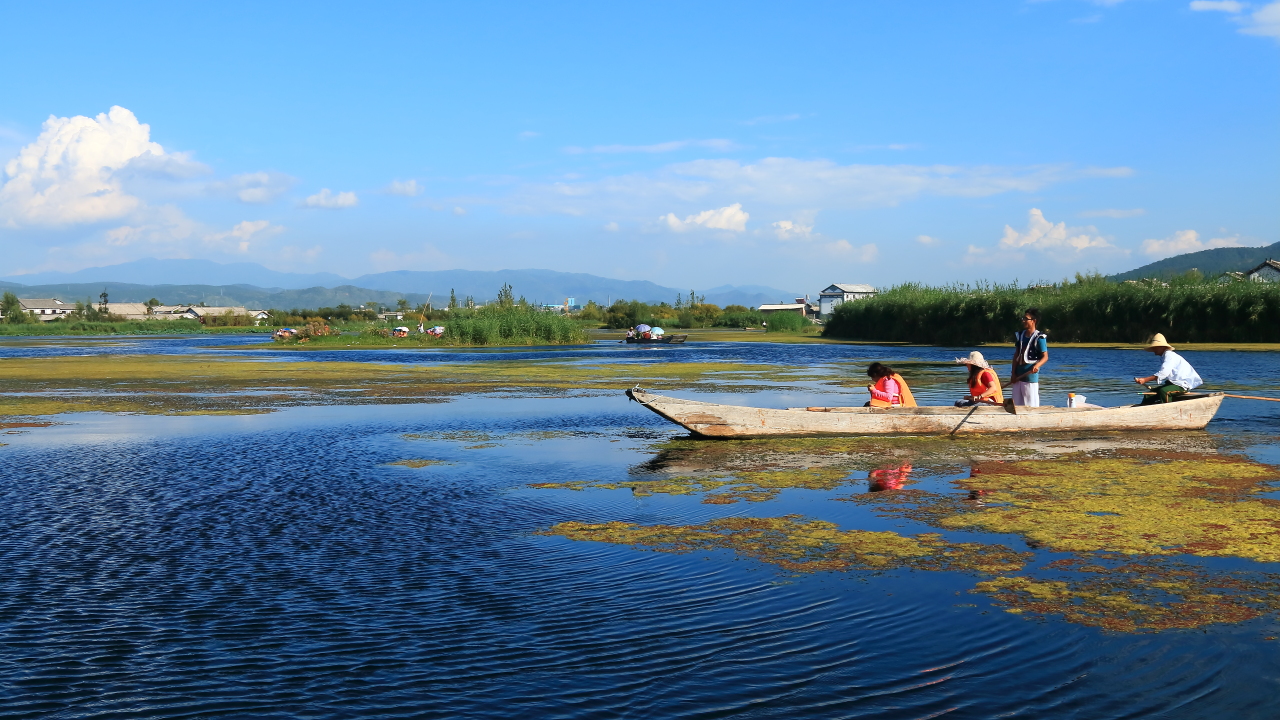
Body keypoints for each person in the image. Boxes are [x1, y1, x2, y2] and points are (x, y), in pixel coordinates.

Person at [1134, 333, 1202, 404]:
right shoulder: (1164, 357)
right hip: (1173, 383)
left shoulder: (1169, 356)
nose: (1154, 350)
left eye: (1155, 348)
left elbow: (1164, 373)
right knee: (1149, 395)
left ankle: (1166, 411)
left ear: (1162, 347)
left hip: (1182, 385)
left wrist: (1145, 380)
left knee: (1164, 391)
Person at [1009, 307, 1049, 407]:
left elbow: (1045, 357)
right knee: (1016, 404)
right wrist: (1013, 373)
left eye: (1026, 319)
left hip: (1030, 376)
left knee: (1031, 405)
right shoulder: (1020, 335)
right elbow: (1016, 355)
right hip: (1018, 375)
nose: (1023, 321)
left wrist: (1037, 365)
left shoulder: (1039, 337)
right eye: (1023, 318)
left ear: (1033, 321)